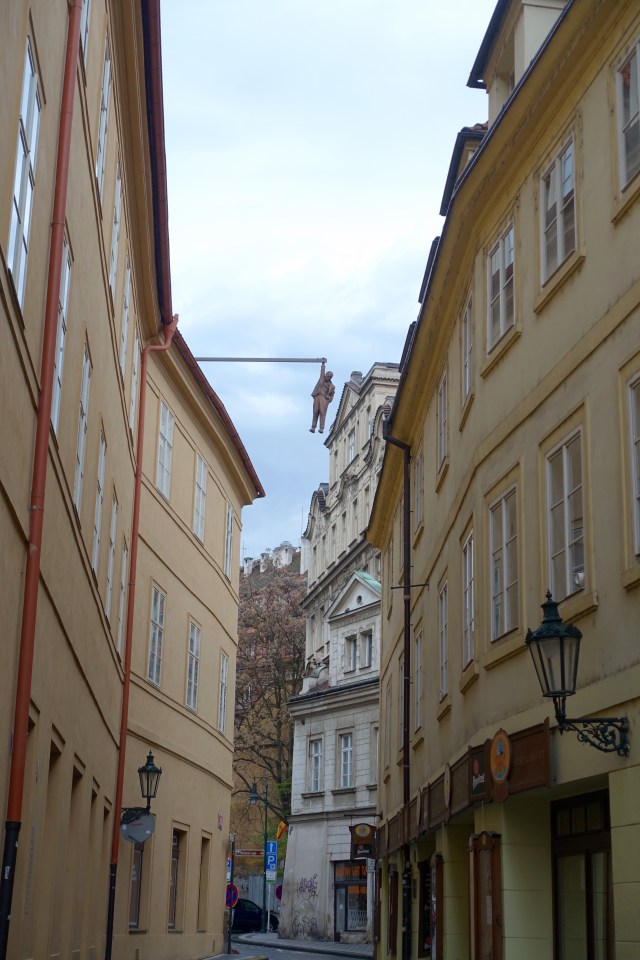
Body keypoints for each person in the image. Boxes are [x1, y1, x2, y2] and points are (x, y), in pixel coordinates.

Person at [310, 361, 335, 433]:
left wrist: (329, 399)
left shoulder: (332, 386)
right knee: (315, 412)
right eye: (327, 376)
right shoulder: (322, 378)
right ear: (326, 375)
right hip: (317, 396)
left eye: (330, 377)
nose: (328, 377)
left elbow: (332, 395)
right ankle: (313, 427)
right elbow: (322, 371)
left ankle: (321, 428)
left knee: (322, 413)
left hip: (324, 399)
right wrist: (323, 364)